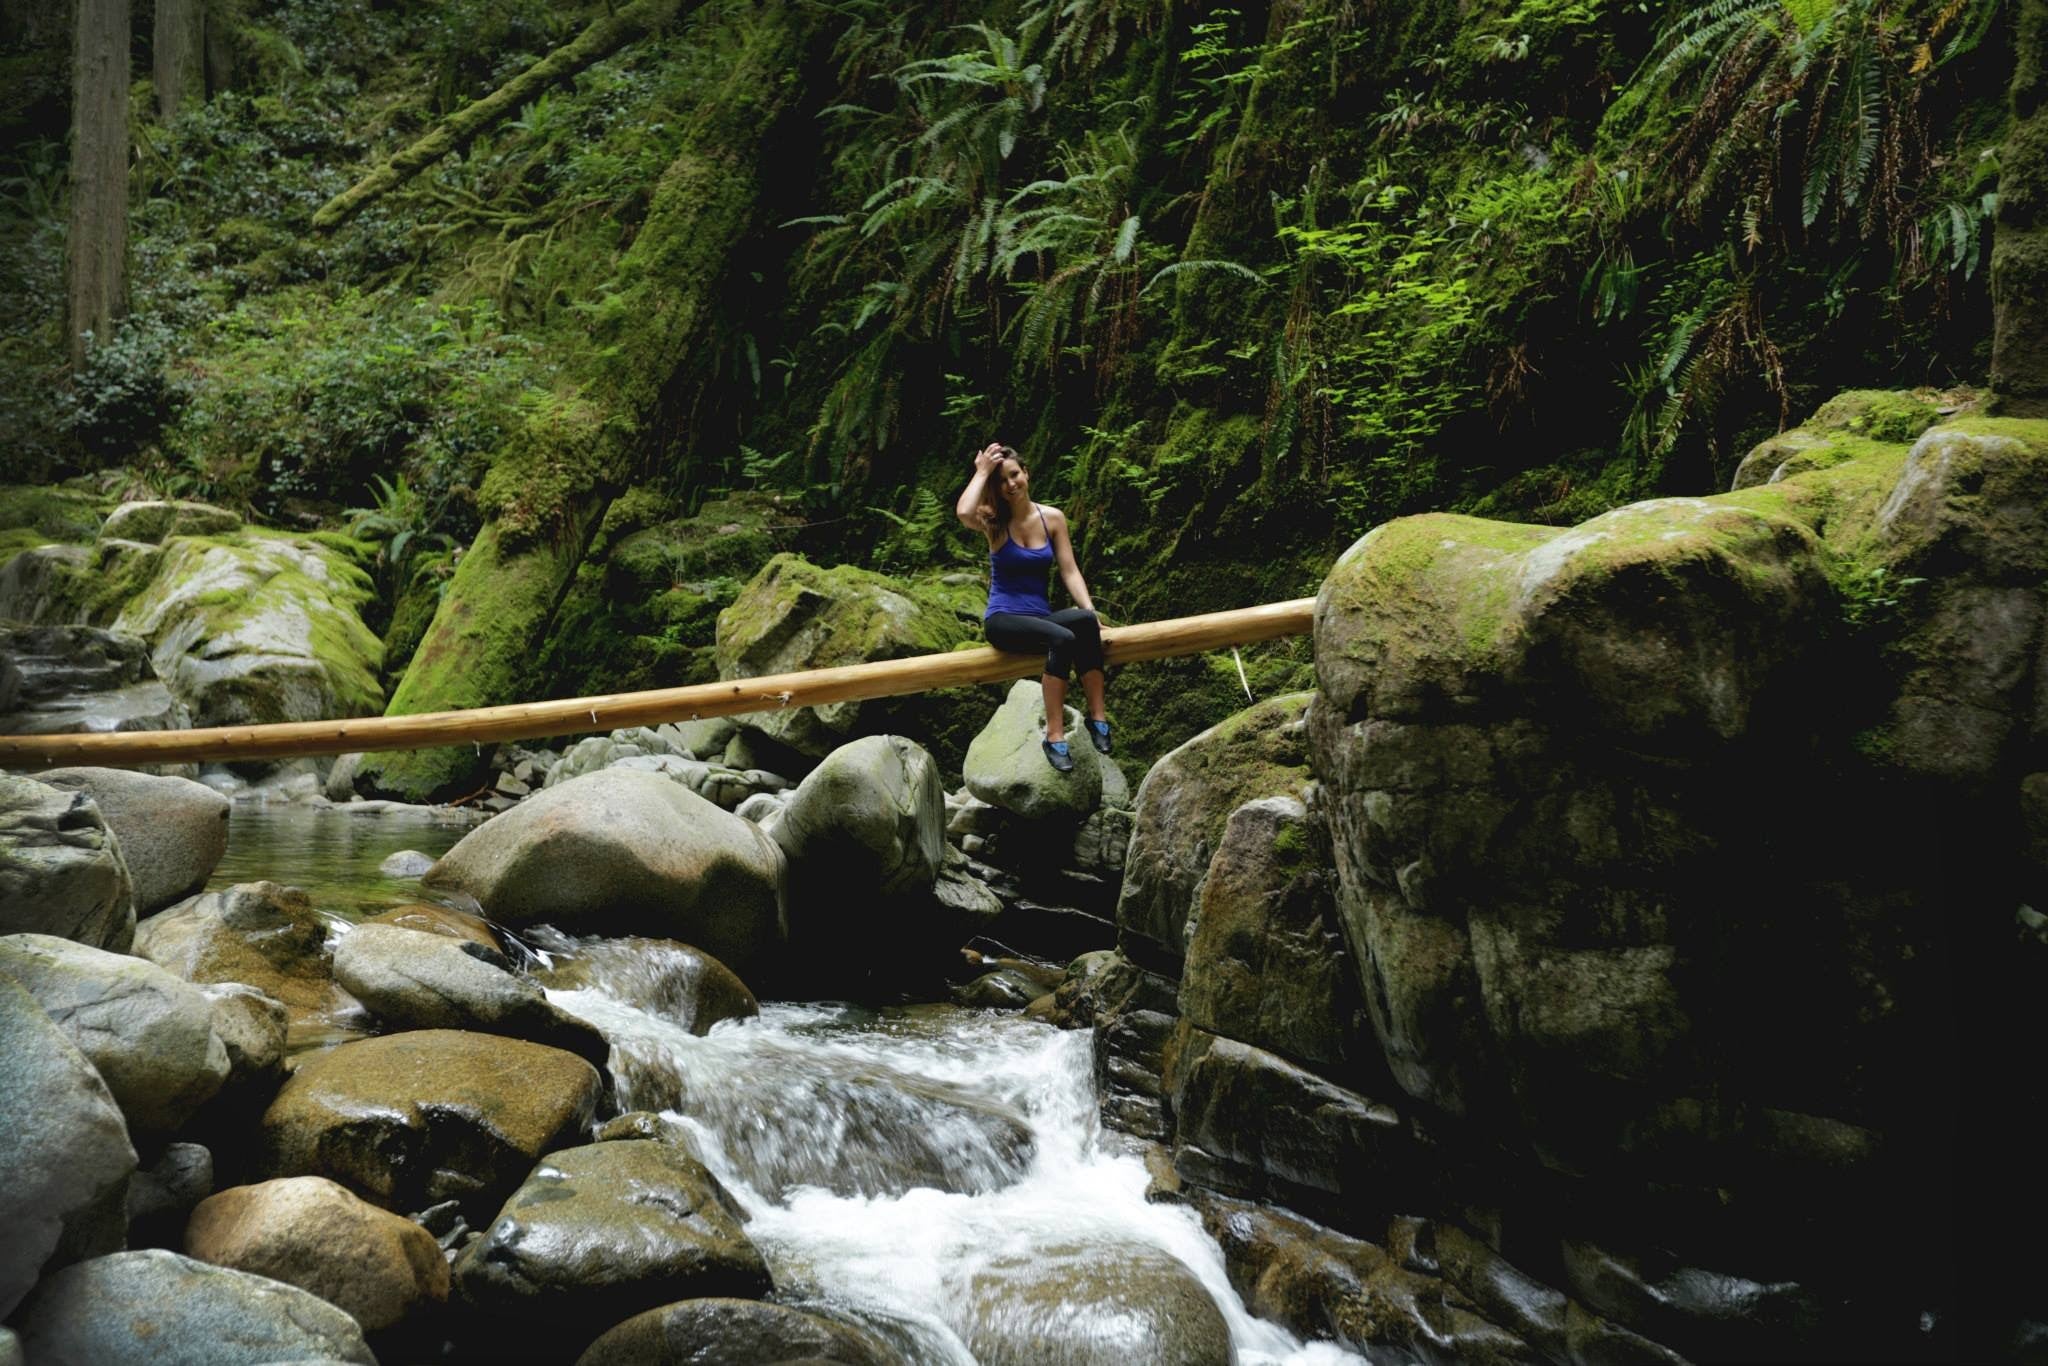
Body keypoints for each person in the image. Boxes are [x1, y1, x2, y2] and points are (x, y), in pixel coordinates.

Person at [956, 441, 1110, 773]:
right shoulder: (994, 521)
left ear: (1026, 473)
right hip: (1003, 619)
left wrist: (1091, 611)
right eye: (1002, 481)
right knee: (1063, 639)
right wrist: (982, 471)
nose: (1011, 485)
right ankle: (1054, 736)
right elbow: (964, 512)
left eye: (1015, 475)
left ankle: (1098, 717)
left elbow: (1069, 569)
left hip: (1040, 619)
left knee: (1083, 622)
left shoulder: (1052, 518)